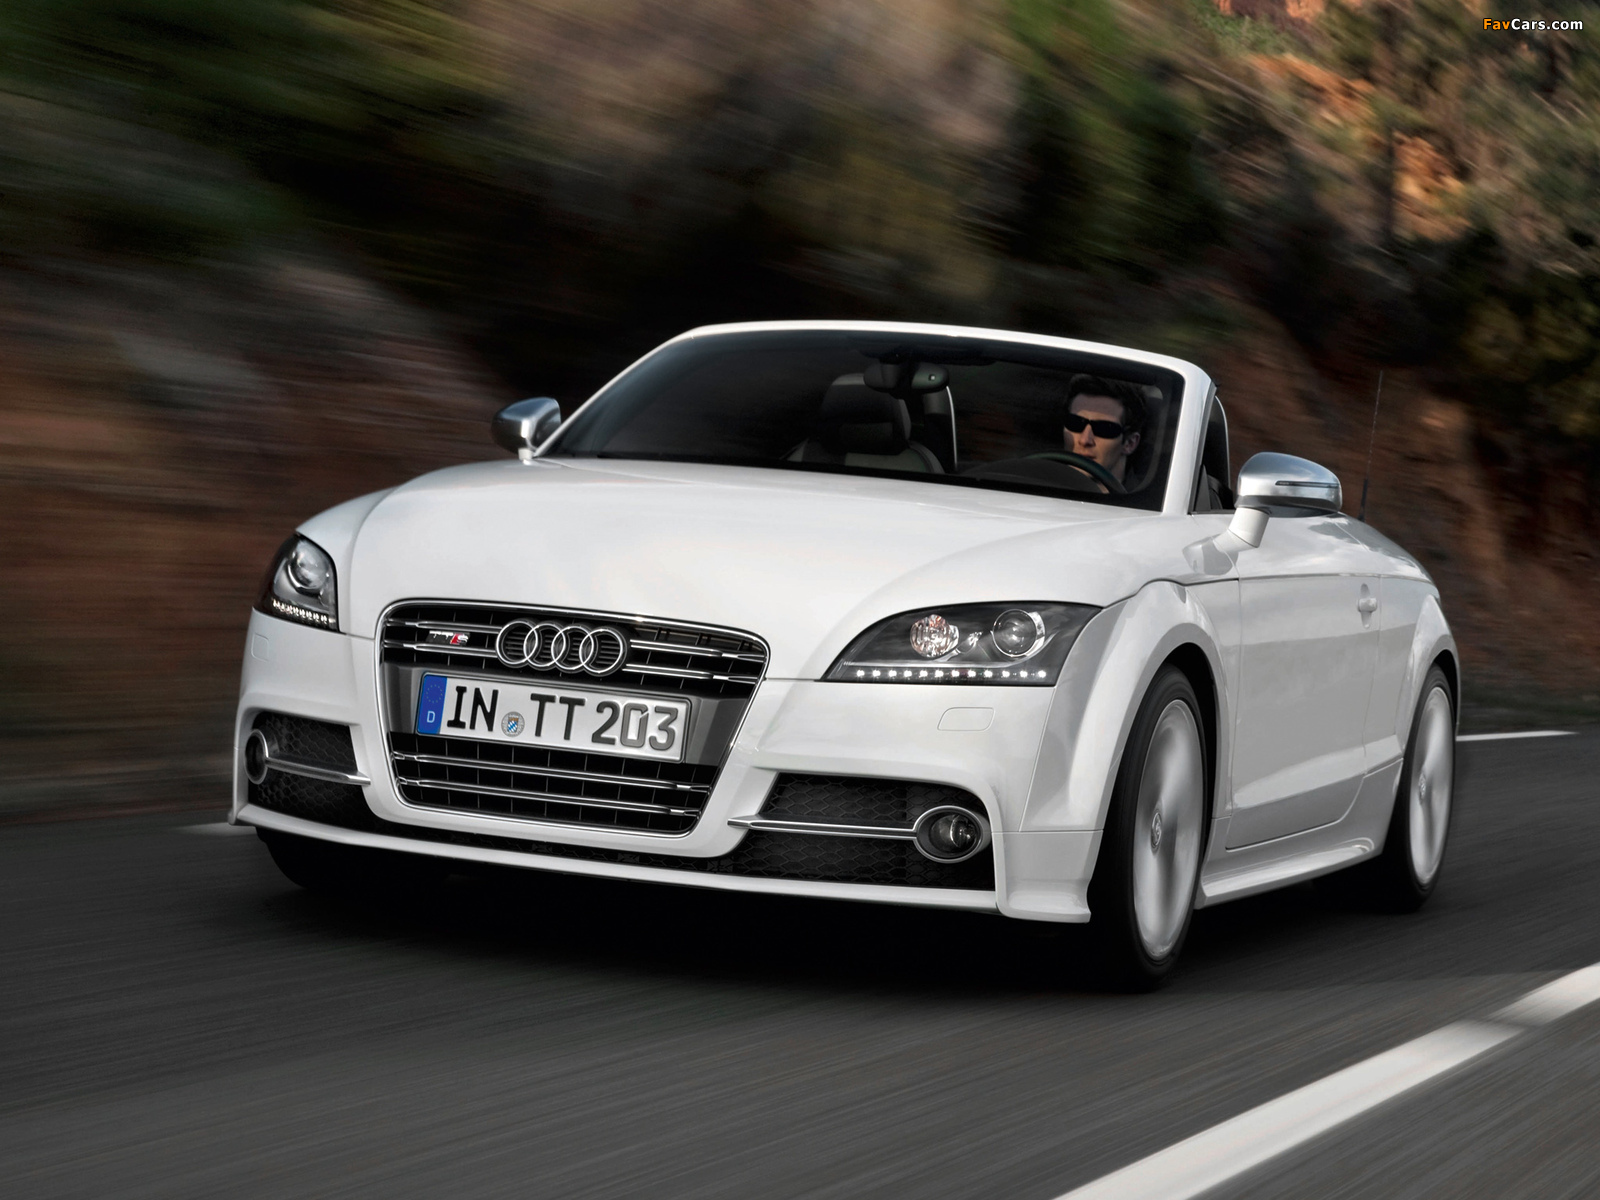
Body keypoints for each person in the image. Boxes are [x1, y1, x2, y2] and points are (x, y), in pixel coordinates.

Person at [1061, 374, 1145, 485]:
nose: (1084, 440)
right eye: (1075, 423)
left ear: (1130, 443)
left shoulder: (1153, 495)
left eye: (1104, 429)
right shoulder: (1042, 480)